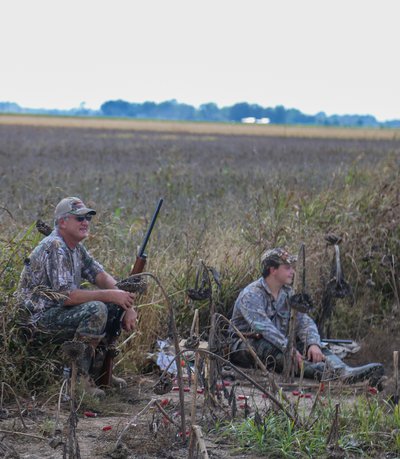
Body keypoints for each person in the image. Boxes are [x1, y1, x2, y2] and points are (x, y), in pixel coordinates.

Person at [17, 196, 138, 397]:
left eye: (88, 218)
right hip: (36, 321)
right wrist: (111, 295)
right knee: (97, 308)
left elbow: (100, 275)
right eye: (79, 218)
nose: (85, 222)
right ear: (63, 222)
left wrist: (126, 303)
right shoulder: (55, 246)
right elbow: (65, 297)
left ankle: (99, 372)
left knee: (114, 306)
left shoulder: (75, 247)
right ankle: (78, 380)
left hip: (55, 313)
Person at [229, 247, 384, 385]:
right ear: (272, 269)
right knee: (271, 349)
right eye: (287, 267)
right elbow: (263, 328)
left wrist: (313, 344)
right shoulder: (251, 294)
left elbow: (304, 322)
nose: (292, 272)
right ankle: (328, 374)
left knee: (315, 347)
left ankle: (343, 371)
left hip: (280, 343)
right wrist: (289, 348)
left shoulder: (288, 293)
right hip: (246, 345)